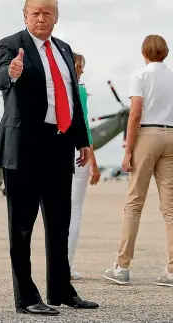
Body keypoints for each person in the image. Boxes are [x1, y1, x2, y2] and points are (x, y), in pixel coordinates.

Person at [0, 0, 99, 316]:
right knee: (22, 225)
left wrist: (82, 141)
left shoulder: (64, 50)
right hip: (25, 145)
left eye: (48, 14)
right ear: (25, 15)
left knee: (59, 223)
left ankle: (61, 289)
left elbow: (72, 100)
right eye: (36, 13)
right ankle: (26, 296)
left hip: (58, 144)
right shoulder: (11, 45)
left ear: (56, 16)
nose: (42, 19)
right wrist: (11, 73)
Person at [104, 34, 173, 288]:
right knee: (170, 206)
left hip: (147, 134)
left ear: (144, 52)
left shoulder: (140, 76)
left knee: (134, 203)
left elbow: (135, 114)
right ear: (165, 53)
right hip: (171, 136)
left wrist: (128, 149)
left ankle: (122, 266)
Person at [68, 53, 101, 280]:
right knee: (75, 211)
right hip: (77, 153)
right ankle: (66, 265)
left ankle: (57, 264)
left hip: (56, 151)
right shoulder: (79, 90)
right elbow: (84, 125)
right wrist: (95, 164)